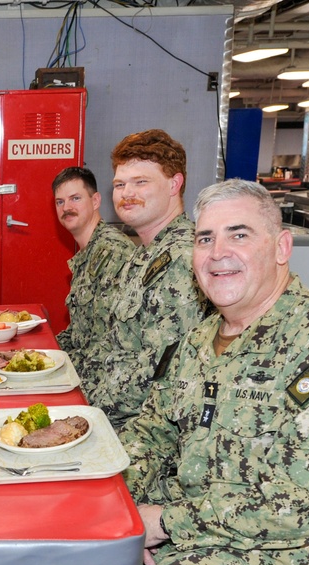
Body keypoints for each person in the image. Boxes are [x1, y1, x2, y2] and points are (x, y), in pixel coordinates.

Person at [49, 179, 309, 565]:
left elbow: (296, 509)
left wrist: (164, 523)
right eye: (205, 238)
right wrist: (120, 516)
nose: (217, 253)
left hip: (290, 556)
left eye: (240, 235)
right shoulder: (200, 339)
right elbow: (152, 434)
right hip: (198, 518)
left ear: (281, 247)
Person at [80, 129, 209, 428]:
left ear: (174, 184)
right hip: (109, 408)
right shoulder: (145, 254)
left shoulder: (183, 260)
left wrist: (88, 411)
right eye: (120, 184)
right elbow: (116, 347)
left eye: (141, 182)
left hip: (141, 432)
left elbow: (164, 374)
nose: (126, 193)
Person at [52, 166, 135, 377]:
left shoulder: (112, 252)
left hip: (103, 378)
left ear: (96, 201)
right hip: (87, 366)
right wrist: (44, 353)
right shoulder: (89, 253)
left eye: (75, 198)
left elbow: (109, 343)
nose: (66, 208)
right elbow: (80, 333)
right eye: (60, 202)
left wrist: (61, 373)